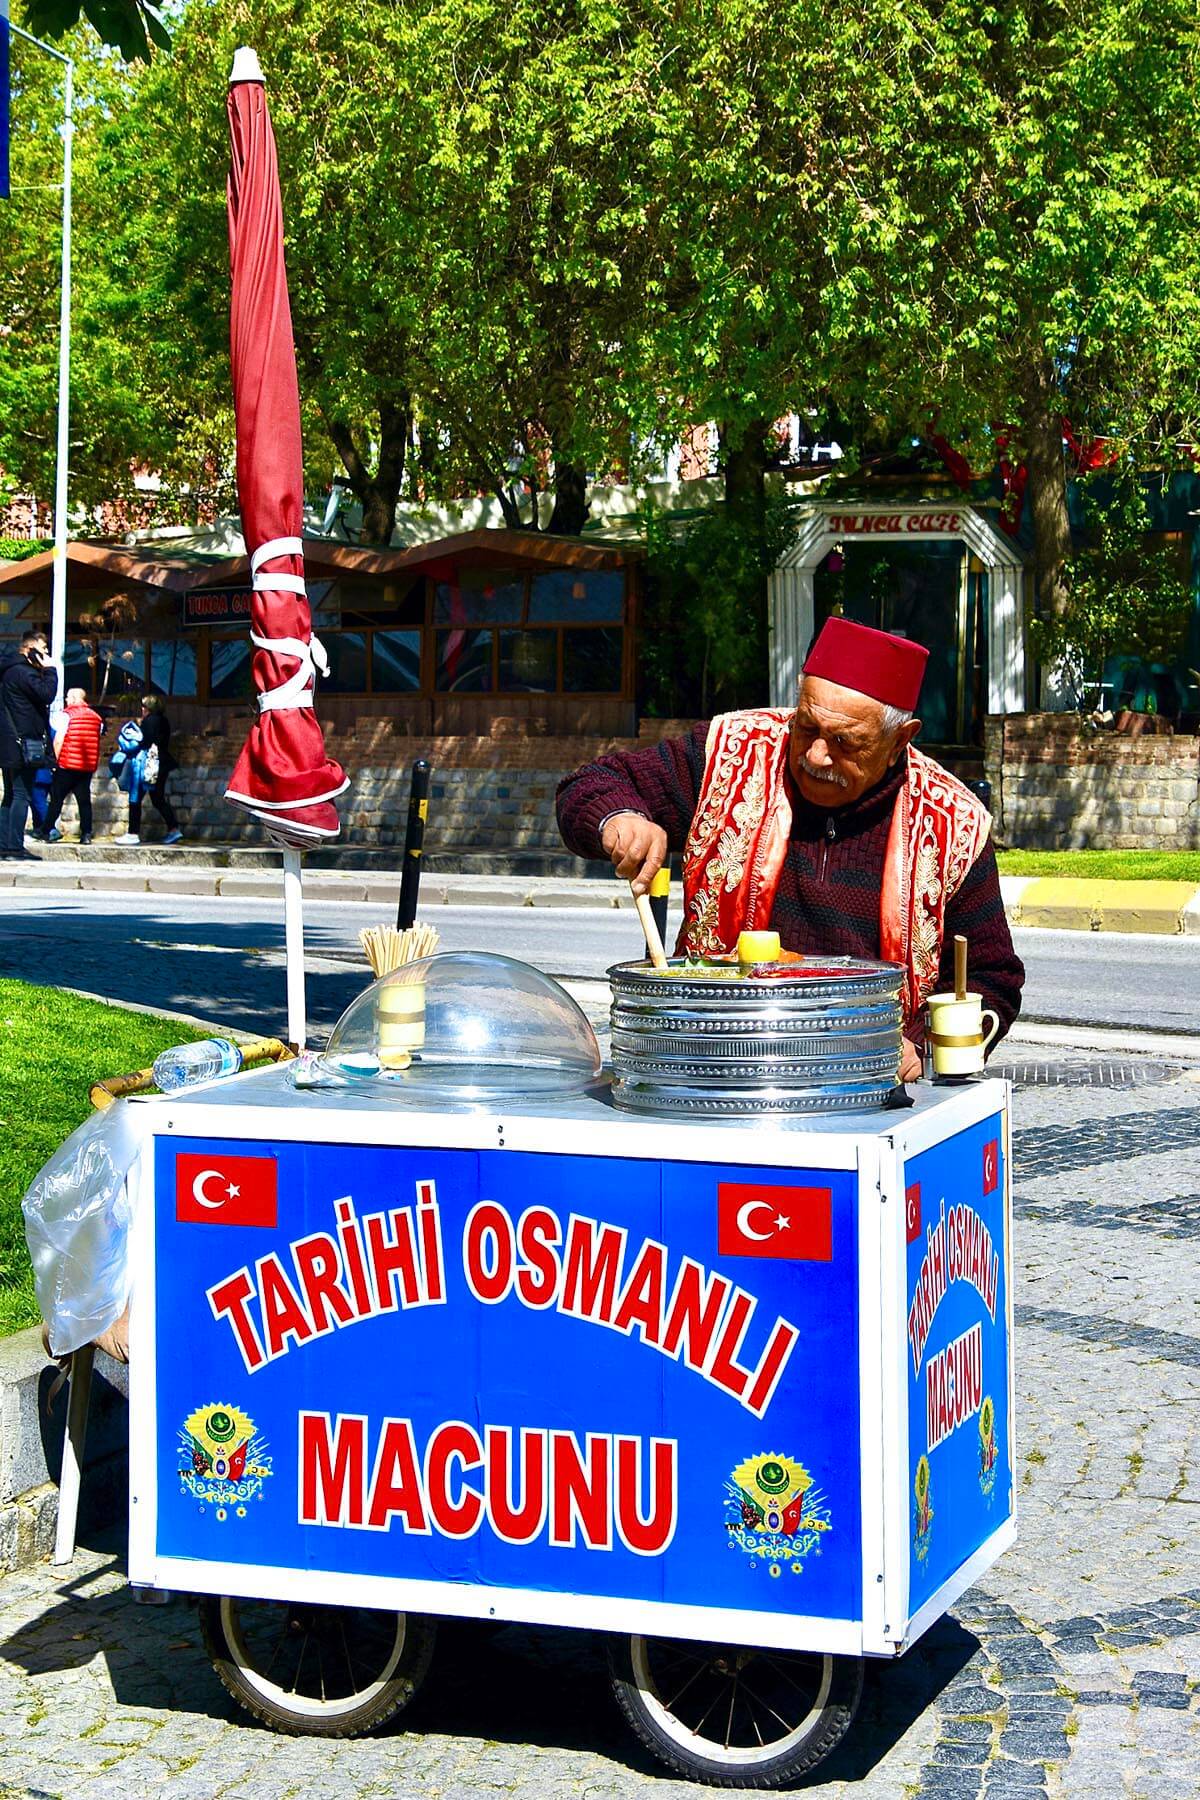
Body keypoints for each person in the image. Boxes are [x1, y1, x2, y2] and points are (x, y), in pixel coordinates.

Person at [556, 615, 1025, 1081]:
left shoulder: (952, 821)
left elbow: (991, 977)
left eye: (845, 742)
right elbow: (592, 783)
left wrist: (920, 1044)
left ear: (899, 739)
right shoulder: (730, 753)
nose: (817, 755)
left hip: (864, 1080)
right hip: (709, 1061)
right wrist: (620, 818)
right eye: (806, 727)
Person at [0, 630, 59, 860]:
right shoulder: (23, 673)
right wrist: (51, 670)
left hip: (9, 743)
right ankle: (13, 847)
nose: (46, 655)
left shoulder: (8, 672)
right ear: (30, 649)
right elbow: (47, 694)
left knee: (11, 795)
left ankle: (5, 845)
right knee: (21, 795)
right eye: (43, 649)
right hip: (22, 744)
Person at [115, 693, 182, 846]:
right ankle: (173, 828)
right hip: (162, 763)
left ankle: (133, 833)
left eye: (144, 706)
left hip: (148, 765)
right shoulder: (164, 721)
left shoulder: (149, 722)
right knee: (158, 798)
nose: (142, 709)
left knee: (136, 797)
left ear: (149, 708)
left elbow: (143, 741)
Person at [39, 687, 104, 843]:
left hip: (67, 765)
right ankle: (86, 834)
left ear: (75, 698)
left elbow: (59, 740)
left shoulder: (65, 716)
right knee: (84, 801)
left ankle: (46, 831)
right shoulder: (97, 718)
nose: (67, 700)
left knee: (56, 800)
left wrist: (53, 761)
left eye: (68, 697)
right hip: (86, 766)